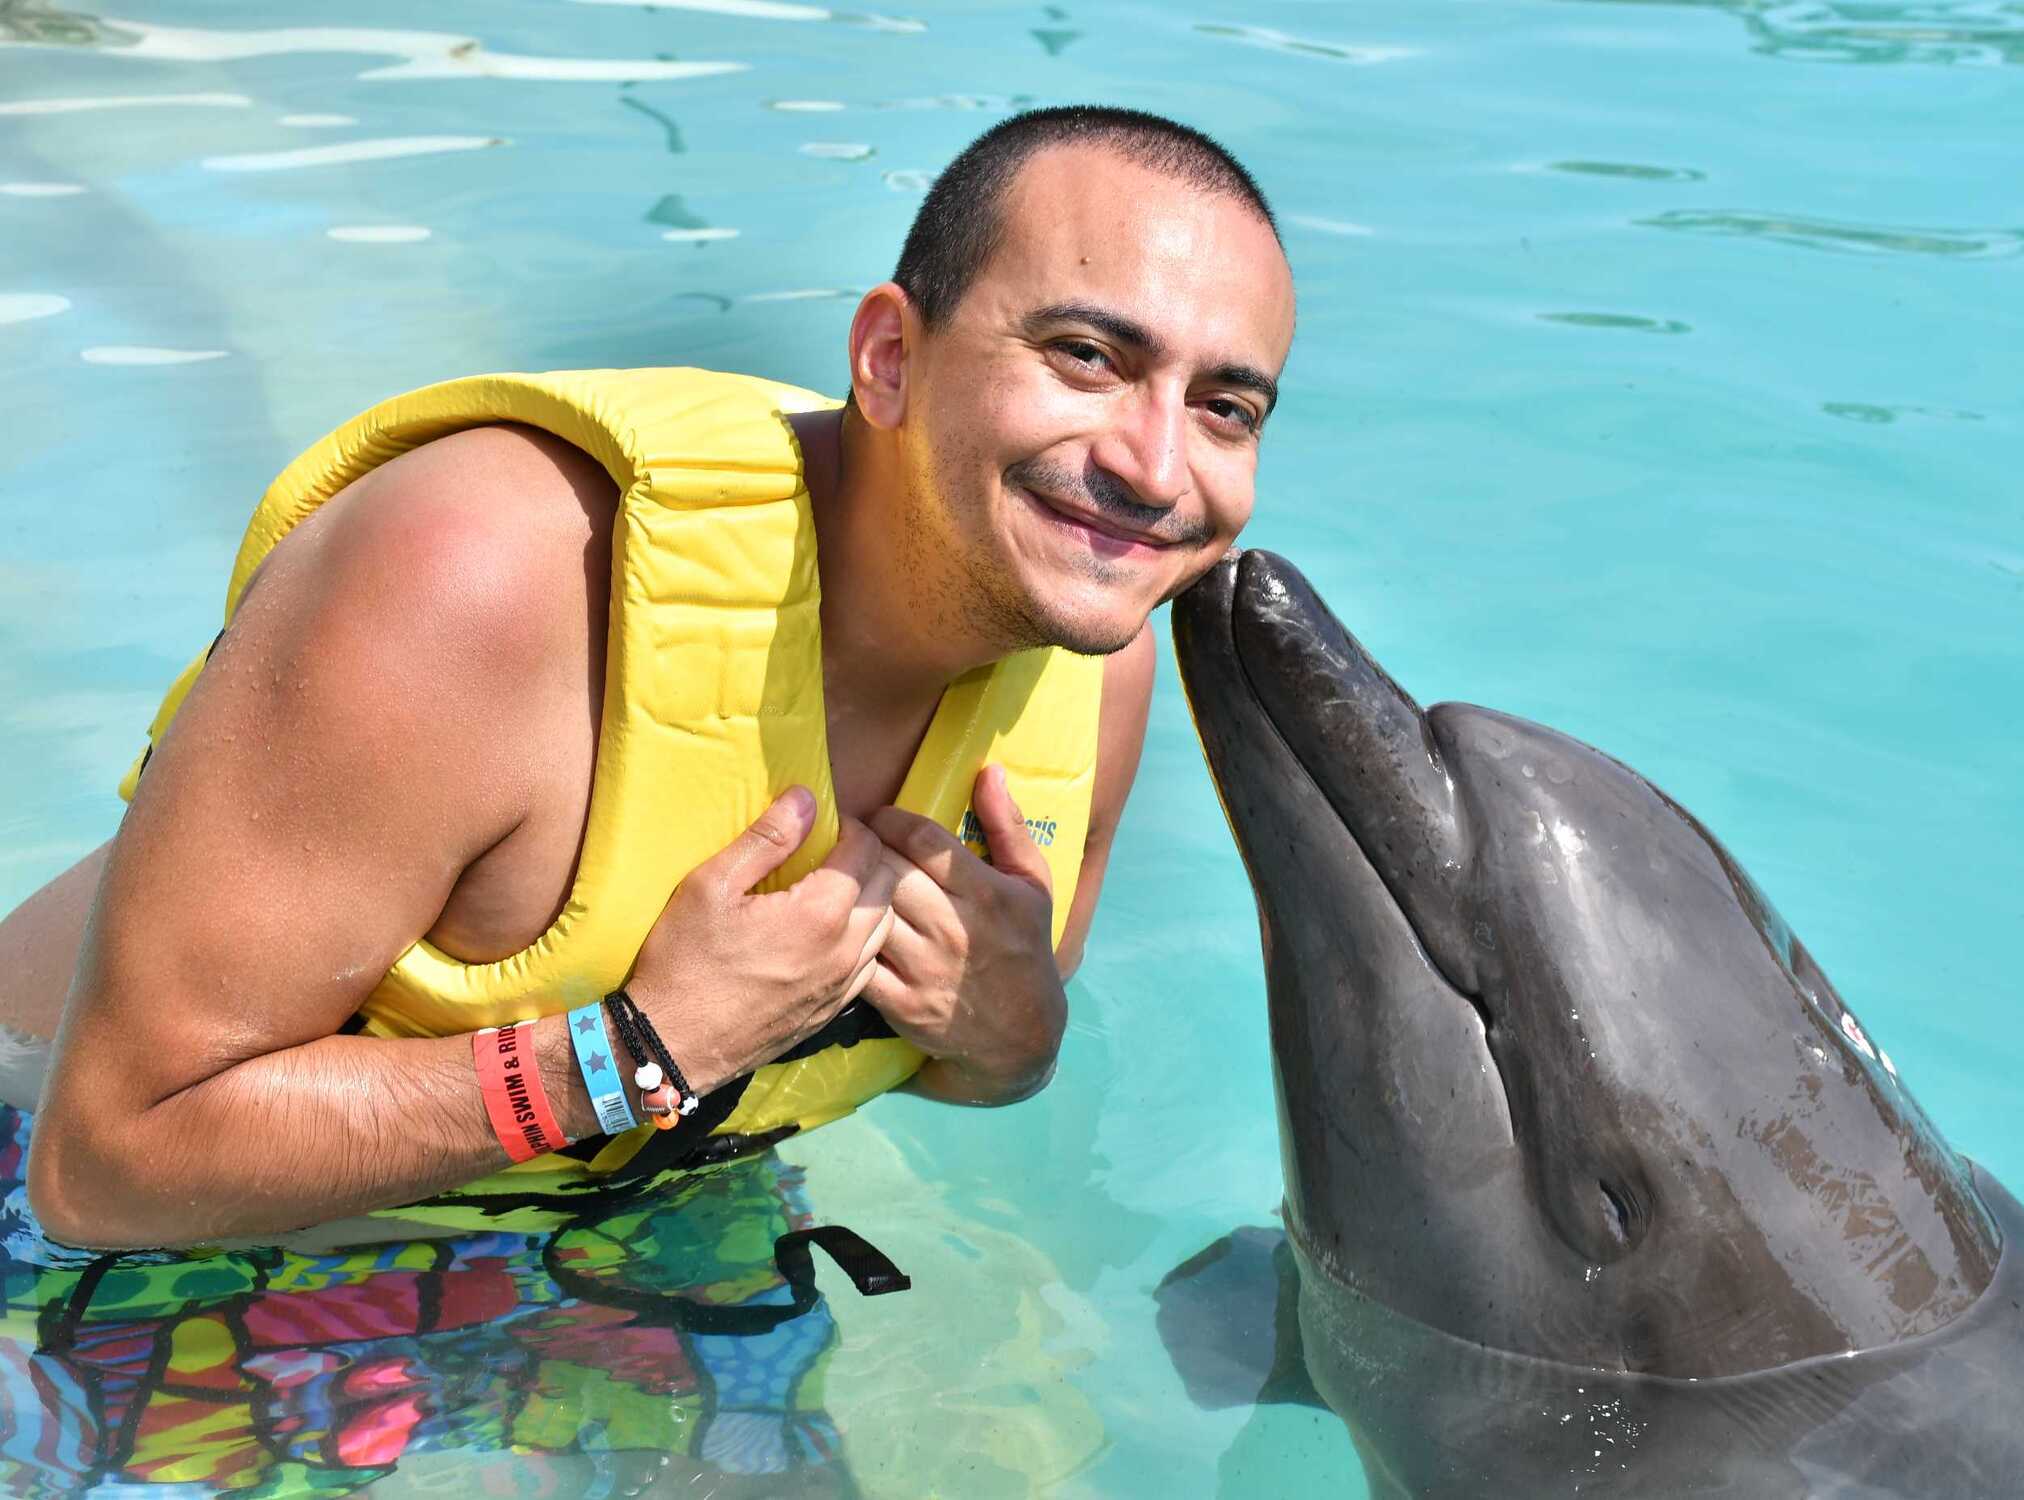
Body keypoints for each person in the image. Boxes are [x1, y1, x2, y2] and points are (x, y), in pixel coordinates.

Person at [0, 105, 1295, 1251]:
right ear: (889, 358)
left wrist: (1018, 1033)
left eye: (1223, 407)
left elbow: (971, 1060)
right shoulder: (490, 578)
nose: (1155, 465)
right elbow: (104, 1169)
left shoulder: (1094, 652)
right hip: (76, 1245)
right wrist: (633, 1055)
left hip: (611, 1225)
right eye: (1084, 355)